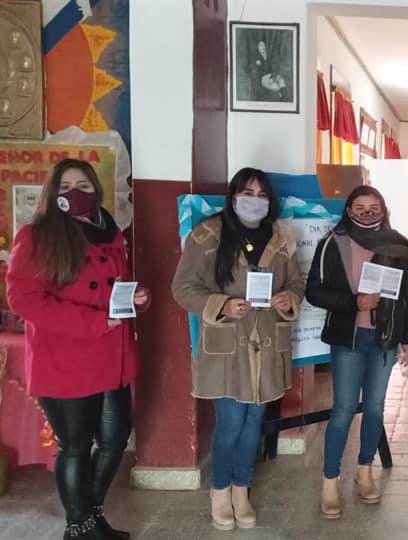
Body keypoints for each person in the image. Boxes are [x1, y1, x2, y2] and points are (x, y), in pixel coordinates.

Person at [6, 158, 150, 539]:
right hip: (66, 360)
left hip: (112, 358)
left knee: (115, 438)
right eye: (66, 186)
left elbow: (114, 286)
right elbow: (23, 298)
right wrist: (91, 322)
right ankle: (80, 525)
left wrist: (136, 297)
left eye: (84, 186)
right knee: (75, 445)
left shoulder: (109, 231)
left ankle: (89, 515)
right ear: (53, 192)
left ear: (96, 191)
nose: (76, 192)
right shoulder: (37, 236)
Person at [171, 168, 304, 531]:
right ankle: (220, 491)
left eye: (262, 195)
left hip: (267, 345)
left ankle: (241, 490)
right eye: (247, 193)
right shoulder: (207, 235)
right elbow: (182, 287)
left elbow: (297, 283)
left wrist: (288, 298)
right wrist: (222, 305)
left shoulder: (282, 237)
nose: (254, 201)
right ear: (233, 196)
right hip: (227, 348)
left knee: (253, 423)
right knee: (230, 423)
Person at [305, 185, 408, 519]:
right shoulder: (333, 242)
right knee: (343, 410)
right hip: (349, 340)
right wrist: (354, 302)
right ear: (348, 210)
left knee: (374, 407)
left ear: (383, 209)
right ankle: (330, 481)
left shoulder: (399, 244)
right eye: (360, 207)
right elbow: (314, 291)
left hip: (385, 339)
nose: (367, 213)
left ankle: (365, 470)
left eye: (374, 207)